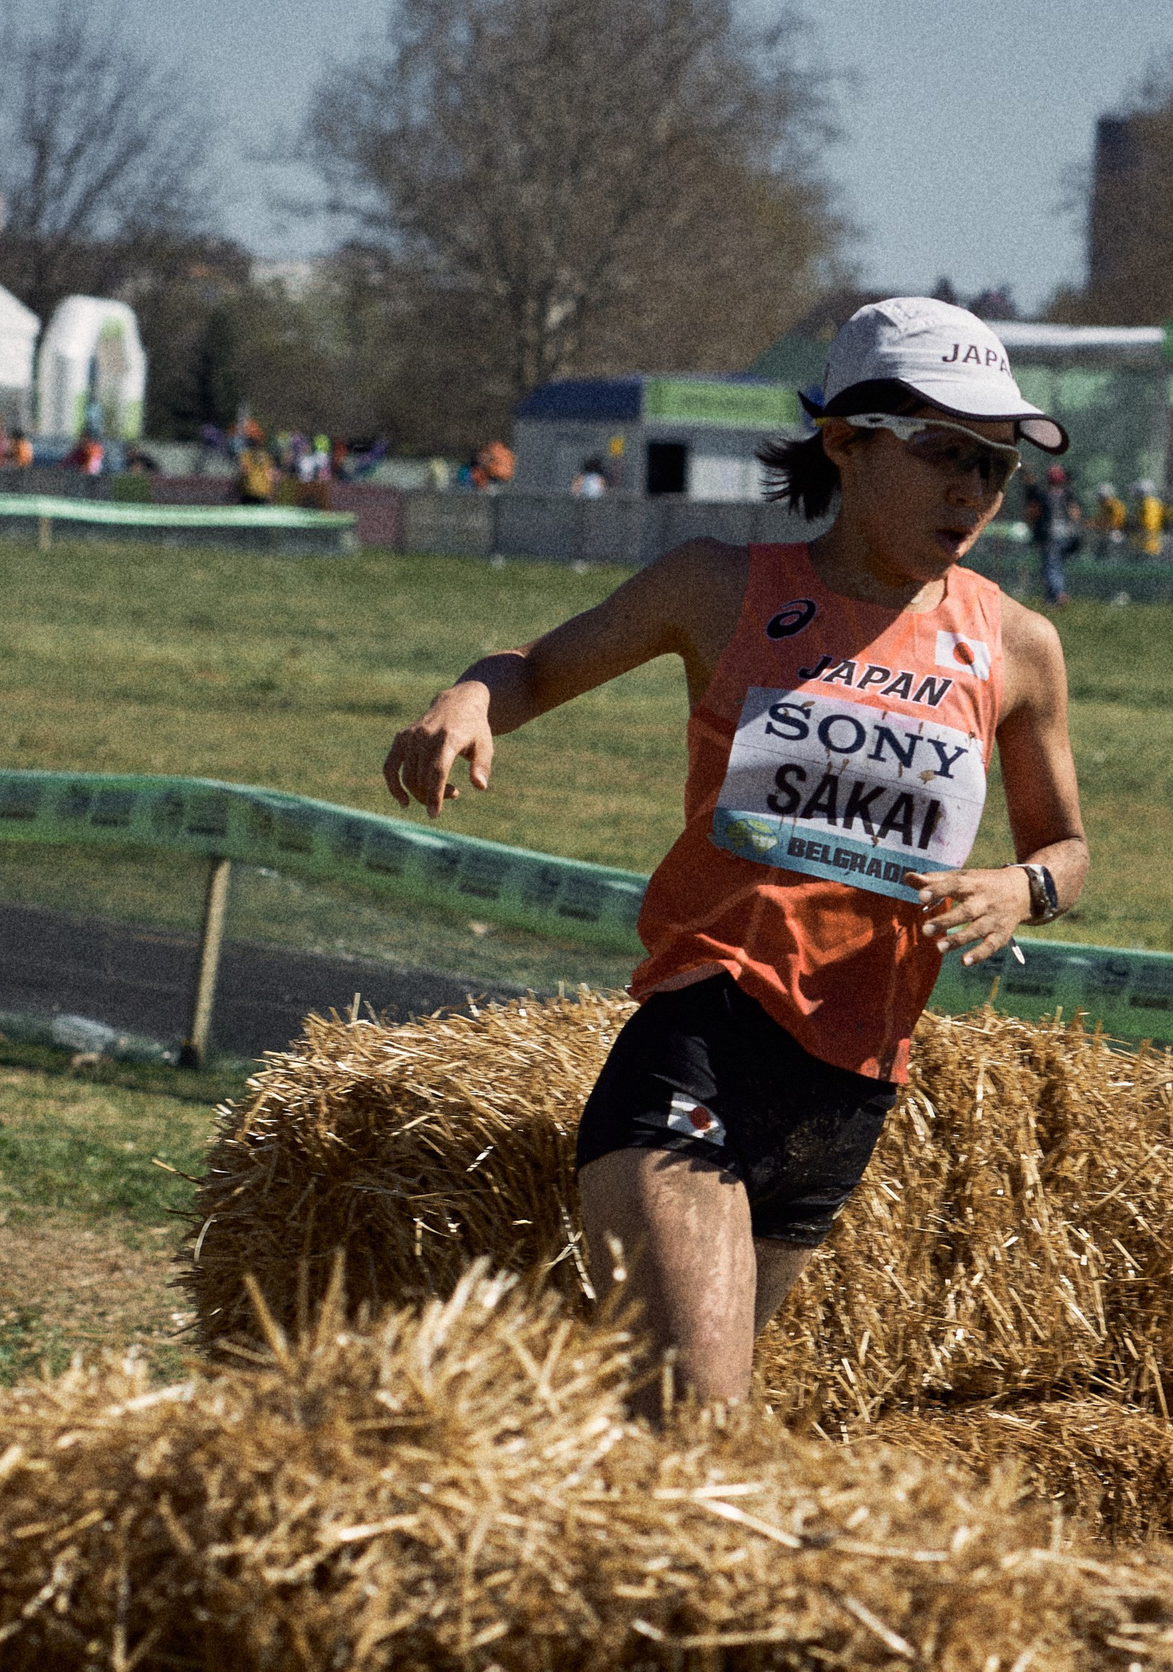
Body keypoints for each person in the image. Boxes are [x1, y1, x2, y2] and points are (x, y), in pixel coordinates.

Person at [381, 297, 1087, 1412]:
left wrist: (1023, 886)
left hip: (852, 1089)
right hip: (704, 1042)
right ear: (847, 442)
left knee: (659, 1444)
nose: (973, 491)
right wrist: (467, 696)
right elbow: (535, 668)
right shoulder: (718, 585)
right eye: (944, 453)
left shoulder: (1017, 645)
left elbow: (1067, 847)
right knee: (700, 1430)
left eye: (996, 468)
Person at [1026, 465, 1073, 604]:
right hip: (1066, 534)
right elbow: (1075, 515)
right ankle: (1050, 597)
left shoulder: (1045, 495)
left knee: (1050, 566)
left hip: (1051, 534)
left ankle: (1058, 594)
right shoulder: (1067, 495)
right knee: (1055, 565)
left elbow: (1034, 513)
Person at [1132, 479, 1167, 558]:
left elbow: (1146, 524)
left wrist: (1134, 525)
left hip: (1144, 544)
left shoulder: (1144, 505)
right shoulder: (1156, 502)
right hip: (1155, 543)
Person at [1092, 483, 1125, 559]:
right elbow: (1100, 520)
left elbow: (1115, 523)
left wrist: (1098, 525)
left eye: (1100, 495)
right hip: (1106, 534)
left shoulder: (1114, 505)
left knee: (1110, 558)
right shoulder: (1105, 506)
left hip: (1114, 534)